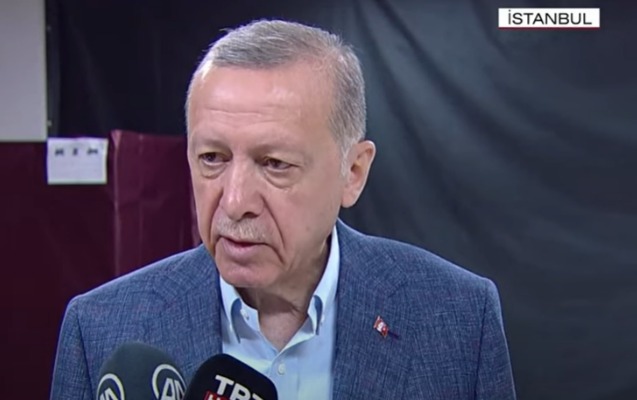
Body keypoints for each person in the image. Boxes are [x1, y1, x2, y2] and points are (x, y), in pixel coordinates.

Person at [50, 19, 516, 399]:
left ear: (353, 172)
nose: (235, 202)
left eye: (274, 164)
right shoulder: (101, 330)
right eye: (212, 158)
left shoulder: (457, 318)